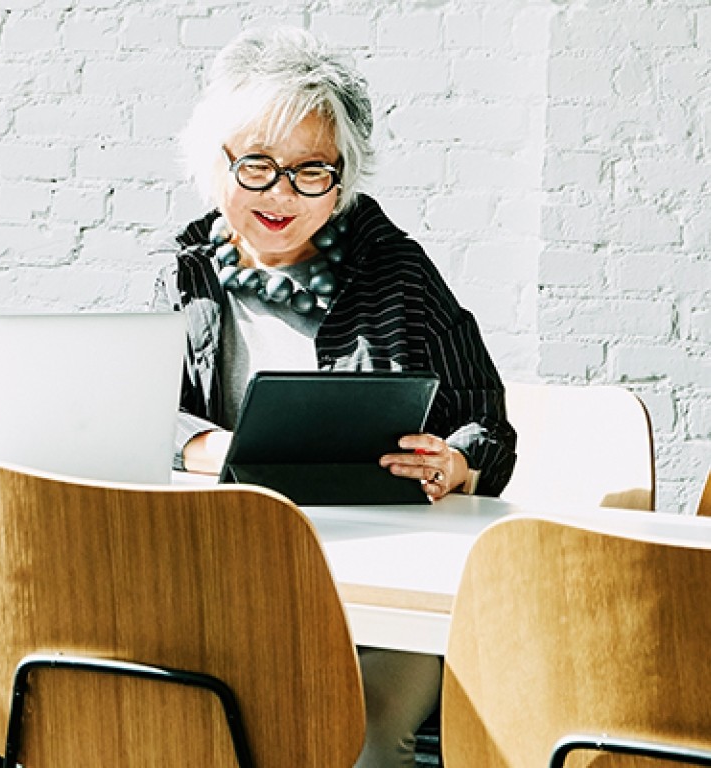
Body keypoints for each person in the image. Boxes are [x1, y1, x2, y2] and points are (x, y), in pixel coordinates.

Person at [153, 27, 517, 767]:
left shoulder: (398, 271)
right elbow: (137, 413)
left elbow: (489, 421)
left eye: (311, 171)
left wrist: (459, 462)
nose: (281, 194)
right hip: (237, 574)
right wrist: (205, 445)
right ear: (213, 161)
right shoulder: (185, 271)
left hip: (390, 587)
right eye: (256, 165)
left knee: (361, 731)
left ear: (342, 177)